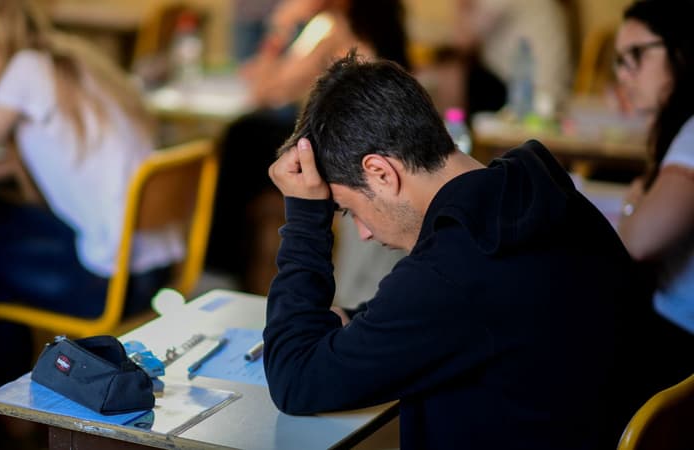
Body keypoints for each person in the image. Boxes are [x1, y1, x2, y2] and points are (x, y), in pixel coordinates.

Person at [265, 52, 654, 449]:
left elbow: (295, 381)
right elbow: (452, 313)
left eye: (349, 211)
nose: (363, 233)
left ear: (381, 173)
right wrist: (355, 320)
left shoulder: (452, 269)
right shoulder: (537, 193)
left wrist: (304, 218)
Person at [0, 0, 178, 415]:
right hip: (152, 268)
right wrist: (7, 163)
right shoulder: (71, 60)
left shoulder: (26, 69)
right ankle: (7, 414)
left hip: (111, 282)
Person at [206, 0, 411, 294]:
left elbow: (264, 91)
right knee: (249, 137)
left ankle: (219, 269)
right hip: (372, 145)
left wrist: (278, 30)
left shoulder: (331, 28)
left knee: (241, 137)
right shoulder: (380, 24)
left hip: (345, 151)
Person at [614, 0, 694, 383]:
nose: (625, 74)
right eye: (619, 60)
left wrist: (634, 203)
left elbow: (638, 243)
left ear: (681, 51)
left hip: (680, 345)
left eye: (637, 55)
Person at [424, 0, 573, 118]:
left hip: (533, 96)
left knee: (450, 76)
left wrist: (462, 4)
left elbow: (463, 41)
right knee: (447, 73)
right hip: (540, 89)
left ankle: (449, 146)